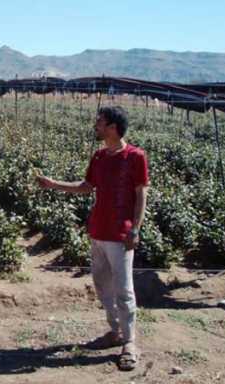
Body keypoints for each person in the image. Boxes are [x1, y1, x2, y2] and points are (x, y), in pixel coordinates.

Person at [36, 106, 149, 371]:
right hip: (98, 231)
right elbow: (86, 188)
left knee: (124, 289)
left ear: (112, 127)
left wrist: (136, 229)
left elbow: (141, 194)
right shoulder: (99, 157)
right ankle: (116, 331)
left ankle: (130, 343)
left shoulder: (135, 156)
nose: (95, 126)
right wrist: (53, 184)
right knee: (102, 286)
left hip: (121, 234)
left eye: (99, 122)